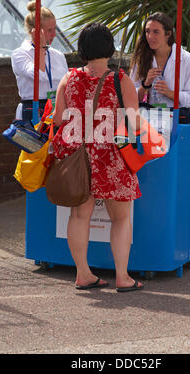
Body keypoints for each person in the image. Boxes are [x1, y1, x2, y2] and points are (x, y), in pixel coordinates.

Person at [52, 23, 144, 293]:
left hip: (78, 157)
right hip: (111, 158)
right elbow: (135, 124)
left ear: (82, 49)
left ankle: (83, 274)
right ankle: (123, 277)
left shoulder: (68, 79)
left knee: (79, 216)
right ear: (109, 47)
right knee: (121, 218)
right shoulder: (120, 80)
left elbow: (58, 119)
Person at [130, 12, 190, 123]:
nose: (150, 36)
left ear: (168, 34)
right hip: (151, 119)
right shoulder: (141, 58)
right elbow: (131, 96)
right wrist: (145, 84)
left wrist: (170, 93)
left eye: (156, 32)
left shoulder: (185, 58)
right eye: (147, 31)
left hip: (177, 119)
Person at [11, 1, 68, 121]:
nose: (54, 34)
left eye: (54, 29)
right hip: (33, 110)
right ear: (36, 32)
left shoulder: (58, 55)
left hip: (56, 109)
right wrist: (41, 47)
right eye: (49, 31)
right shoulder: (20, 54)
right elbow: (39, 75)